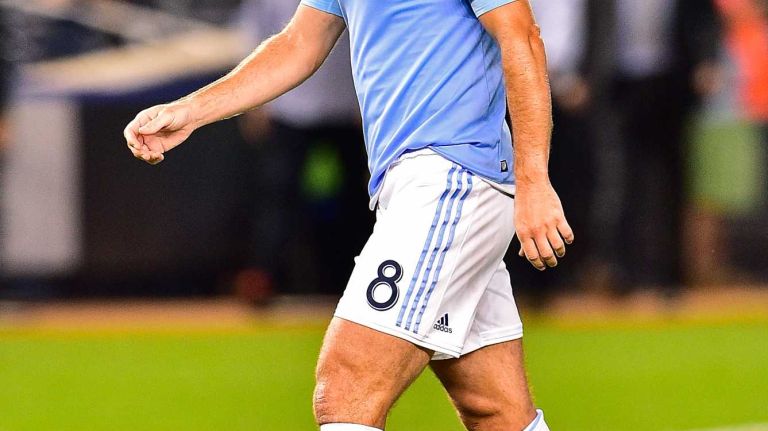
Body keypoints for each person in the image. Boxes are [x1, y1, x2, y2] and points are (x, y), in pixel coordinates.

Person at [124, 1, 573, 430]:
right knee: (496, 413)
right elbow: (299, 43)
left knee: (345, 387)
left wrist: (533, 180)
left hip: (450, 180)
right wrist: (191, 111)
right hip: (420, 186)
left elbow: (522, 35)